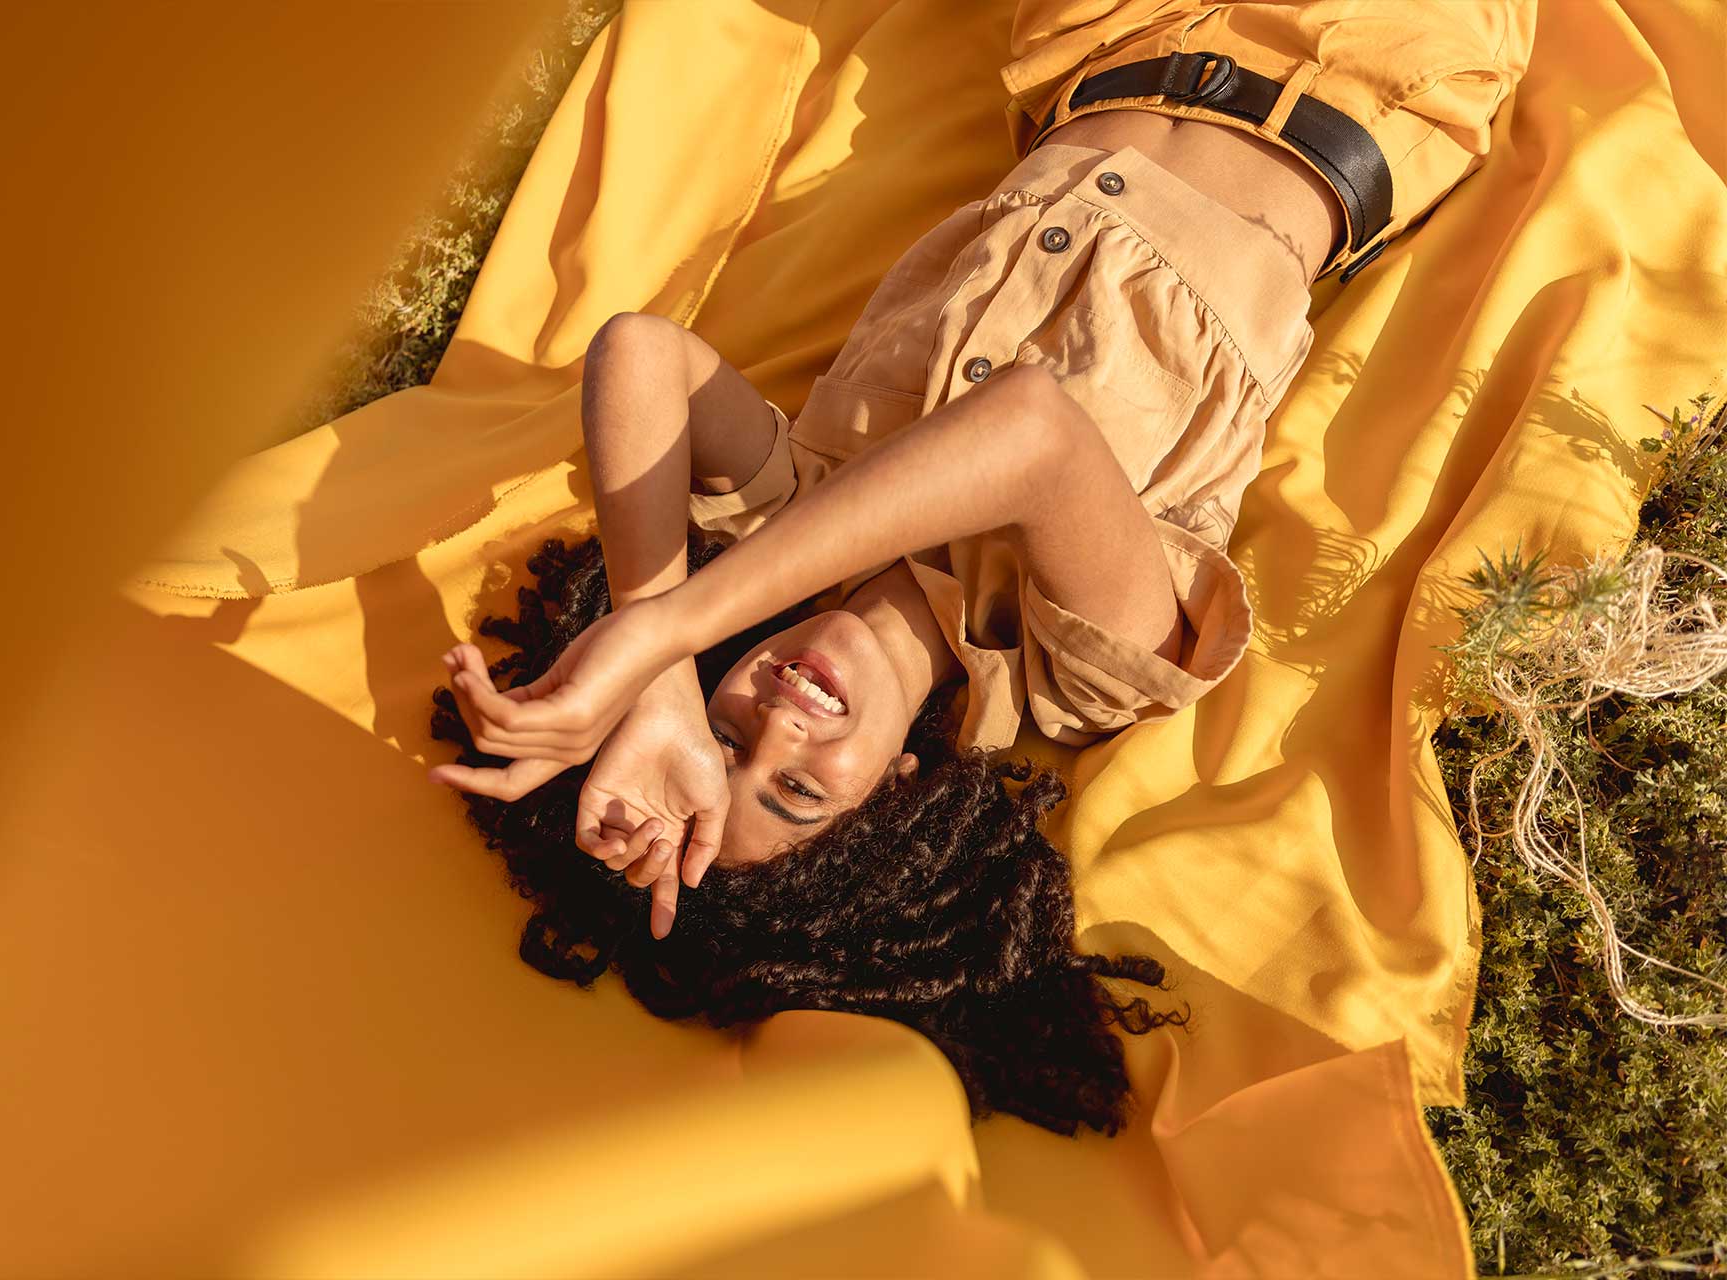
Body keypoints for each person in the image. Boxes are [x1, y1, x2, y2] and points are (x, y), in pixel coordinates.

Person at [426, 4, 1537, 1137]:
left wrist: (657, 679)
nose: (778, 724)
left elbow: (639, 352)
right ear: (897, 792)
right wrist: (671, 634)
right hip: (1369, 63)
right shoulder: (1071, 671)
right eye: (801, 788)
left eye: (727, 736)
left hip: (1108, 35)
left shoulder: (784, 522)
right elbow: (1029, 431)